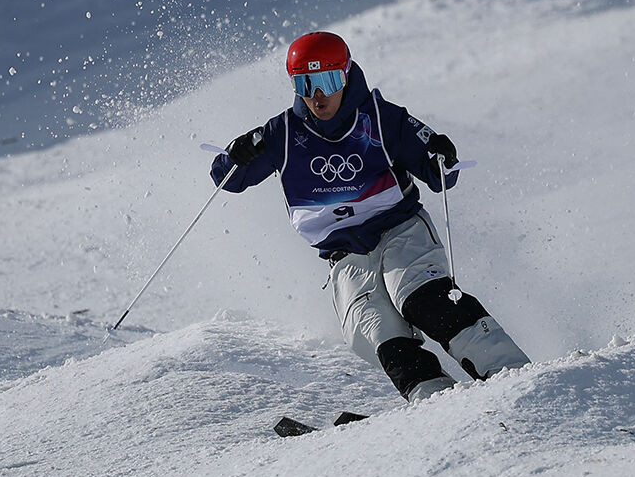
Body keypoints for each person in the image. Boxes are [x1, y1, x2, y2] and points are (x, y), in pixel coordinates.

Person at [211, 31, 530, 402]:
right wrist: (233, 158)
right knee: (376, 331)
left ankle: (510, 372)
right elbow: (228, 180)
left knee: (421, 299)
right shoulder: (283, 133)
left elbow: (440, 174)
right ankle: (437, 401)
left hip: (401, 231)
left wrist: (441, 156)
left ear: (346, 75)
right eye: (305, 83)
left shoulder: (379, 118)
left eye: (328, 80)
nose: (318, 96)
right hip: (344, 255)